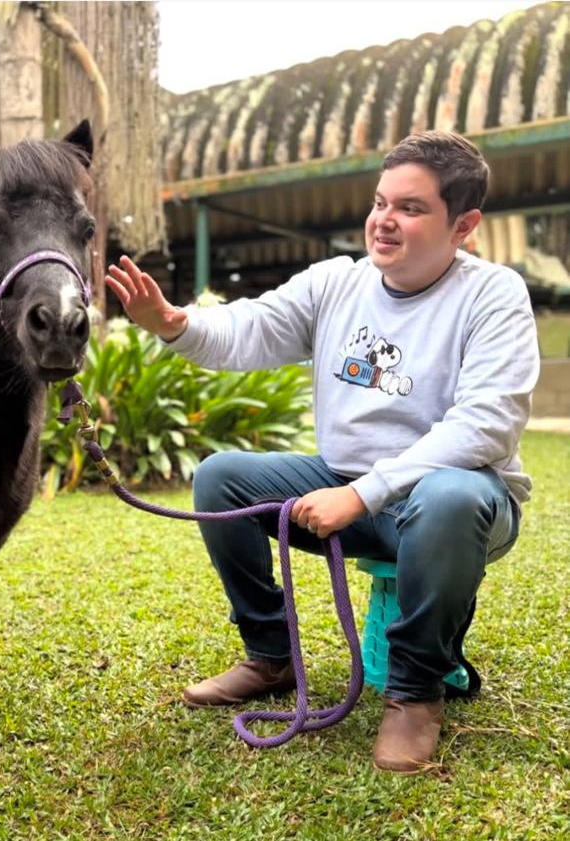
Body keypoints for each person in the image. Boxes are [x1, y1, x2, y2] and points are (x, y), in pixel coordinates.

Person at [105, 130, 540, 774]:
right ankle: (270, 656)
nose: (384, 221)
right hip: (343, 480)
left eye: (411, 208)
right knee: (221, 477)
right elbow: (251, 327)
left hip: (459, 500)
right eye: (380, 202)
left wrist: (362, 494)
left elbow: (486, 426)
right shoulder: (337, 282)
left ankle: (415, 693)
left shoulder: (493, 295)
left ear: (463, 225)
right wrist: (175, 324)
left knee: (448, 496)